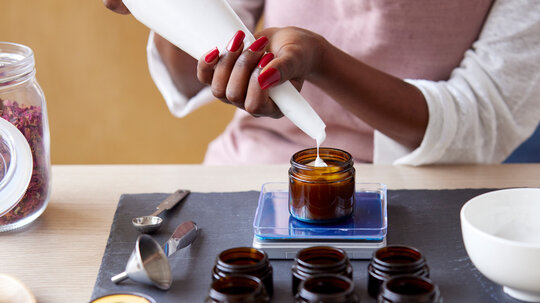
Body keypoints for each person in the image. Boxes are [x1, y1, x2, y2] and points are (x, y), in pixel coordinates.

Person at [103, 0, 540, 165]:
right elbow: (189, 71)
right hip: (255, 173)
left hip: (425, 195)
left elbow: (481, 123)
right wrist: (163, 8)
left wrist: (322, 61)